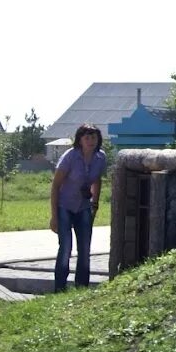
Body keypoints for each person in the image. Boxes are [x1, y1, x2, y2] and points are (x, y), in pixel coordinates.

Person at [51, 124, 106, 291]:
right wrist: (54, 216)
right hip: (65, 206)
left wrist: (94, 204)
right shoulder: (70, 156)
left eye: (94, 137)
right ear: (80, 140)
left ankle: (81, 287)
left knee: (85, 248)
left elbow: (97, 180)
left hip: (83, 206)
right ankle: (60, 288)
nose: (91, 141)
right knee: (66, 247)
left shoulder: (100, 157)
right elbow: (55, 186)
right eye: (87, 138)